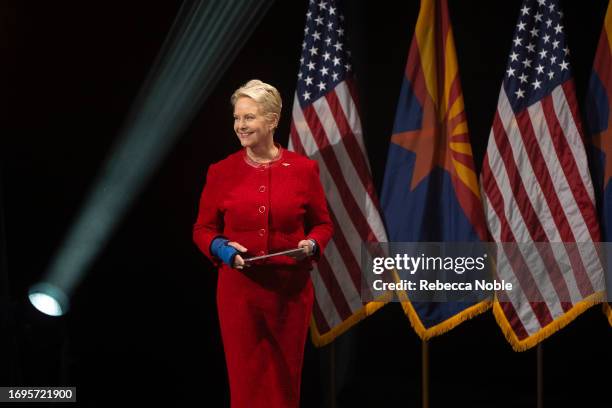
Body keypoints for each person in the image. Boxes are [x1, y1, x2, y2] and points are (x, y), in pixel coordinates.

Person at [193, 79, 333, 408]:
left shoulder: (303, 170)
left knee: (284, 383)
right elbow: (202, 229)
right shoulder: (221, 171)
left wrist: (312, 244)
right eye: (237, 118)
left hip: (290, 294)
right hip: (240, 294)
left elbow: (323, 225)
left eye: (249, 118)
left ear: (271, 120)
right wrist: (222, 249)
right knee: (246, 380)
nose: (240, 126)